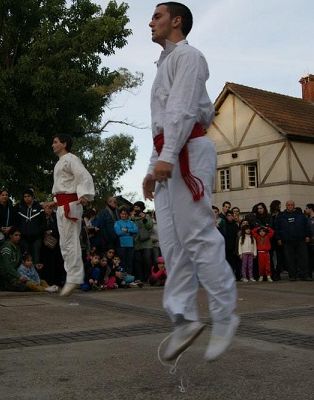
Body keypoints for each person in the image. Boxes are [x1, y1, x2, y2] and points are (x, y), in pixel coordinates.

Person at [142, 2, 238, 363]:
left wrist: (167, 158)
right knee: (172, 242)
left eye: (157, 16)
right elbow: (162, 122)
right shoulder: (165, 64)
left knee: (197, 234)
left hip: (188, 150)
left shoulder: (189, 56)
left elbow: (183, 109)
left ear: (176, 21)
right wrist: (154, 167)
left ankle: (226, 314)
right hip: (170, 149)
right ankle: (184, 318)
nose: (150, 22)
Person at [49, 134, 95, 297]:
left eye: (55, 142)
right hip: (62, 205)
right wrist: (55, 201)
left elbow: (84, 176)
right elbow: (62, 186)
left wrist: (85, 195)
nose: (53, 145)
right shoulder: (59, 163)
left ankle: (74, 277)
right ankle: (71, 276)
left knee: (70, 241)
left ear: (64, 143)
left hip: (71, 205)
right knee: (64, 243)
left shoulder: (71, 159)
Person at [275, 201, 312, 281]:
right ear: (286, 206)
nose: (290, 206)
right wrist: (278, 238)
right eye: (288, 205)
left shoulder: (300, 214)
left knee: (303, 259)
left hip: (300, 240)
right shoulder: (281, 216)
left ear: (294, 206)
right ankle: (292, 275)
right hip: (287, 241)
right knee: (289, 259)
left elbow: (307, 226)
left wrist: (308, 236)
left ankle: (304, 275)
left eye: (292, 205)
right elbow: (277, 228)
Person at [13, 188, 46, 265]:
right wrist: (21, 231)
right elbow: (16, 222)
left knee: (36, 259)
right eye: (25, 196)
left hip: (36, 239)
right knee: (25, 259)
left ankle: (36, 276)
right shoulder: (20, 208)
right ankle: (25, 276)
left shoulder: (39, 208)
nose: (26, 198)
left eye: (28, 196)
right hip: (24, 239)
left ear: (32, 197)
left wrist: (37, 232)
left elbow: (43, 223)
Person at [132, 201, 154, 282]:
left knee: (147, 260)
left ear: (141, 208)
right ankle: (140, 278)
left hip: (146, 243)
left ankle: (148, 277)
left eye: (137, 207)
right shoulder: (132, 217)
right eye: (135, 207)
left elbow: (150, 226)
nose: (135, 208)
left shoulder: (146, 216)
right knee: (138, 262)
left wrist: (144, 218)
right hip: (137, 242)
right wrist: (132, 219)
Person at [0, 227, 26, 291]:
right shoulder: (6, 247)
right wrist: (18, 276)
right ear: (10, 236)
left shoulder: (17, 247)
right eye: (16, 235)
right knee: (23, 286)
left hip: (15, 274)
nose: (18, 237)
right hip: (6, 275)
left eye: (19, 235)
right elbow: (7, 265)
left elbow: (20, 262)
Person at [114, 206, 138, 274]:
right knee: (122, 261)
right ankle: (123, 278)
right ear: (120, 214)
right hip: (122, 245)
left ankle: (129, 277)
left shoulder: (131, 223)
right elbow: (118, 232)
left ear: (128, 215)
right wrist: (130, 232)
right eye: (122, 214)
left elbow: (136, 230)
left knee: (129, 262)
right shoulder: (117, 223)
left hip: (131, 245)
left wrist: (126, 230)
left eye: (125, 214)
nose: (124, 215)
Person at [305, 203, 314, 279]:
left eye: (307, 208)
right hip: (309, 242)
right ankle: (309, 274)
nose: (306, 210)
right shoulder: (307, 219)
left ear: (310, 209)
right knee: (309, 259)